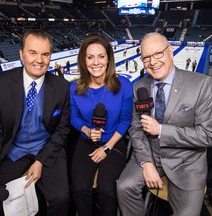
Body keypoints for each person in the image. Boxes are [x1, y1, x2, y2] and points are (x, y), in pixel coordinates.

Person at [117, 32, 212, 216]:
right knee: (124, 187)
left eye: (158, 54)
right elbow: (136, 129)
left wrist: (162, 130)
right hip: (151, 153)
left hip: (186, 162)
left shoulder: (201, 84)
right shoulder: (139, 86)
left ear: (170, 52)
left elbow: (209, 135)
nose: (153, 62)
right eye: (146, 58)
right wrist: (147, 163)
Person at [0, 29, 70, 216]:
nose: (39, 60)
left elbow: (62, 129)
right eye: (32, 53)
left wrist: (41, 160)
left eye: (45, 54)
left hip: (47, 151)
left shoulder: (62, 87)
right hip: (12, 152)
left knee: (61, 197)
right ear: (21, 54)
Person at [70, 32, 133, 216]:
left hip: (113, 141)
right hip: (86, 141)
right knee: (80, 188)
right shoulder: (74, 88)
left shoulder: (124, 85)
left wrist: (106, 147)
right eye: (90, 57)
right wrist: (87, 131)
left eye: (101, 56)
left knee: (107, 189)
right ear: (84, 60)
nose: (95, 62)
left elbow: (125, 120)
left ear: (108, 59)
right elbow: (74, 117)